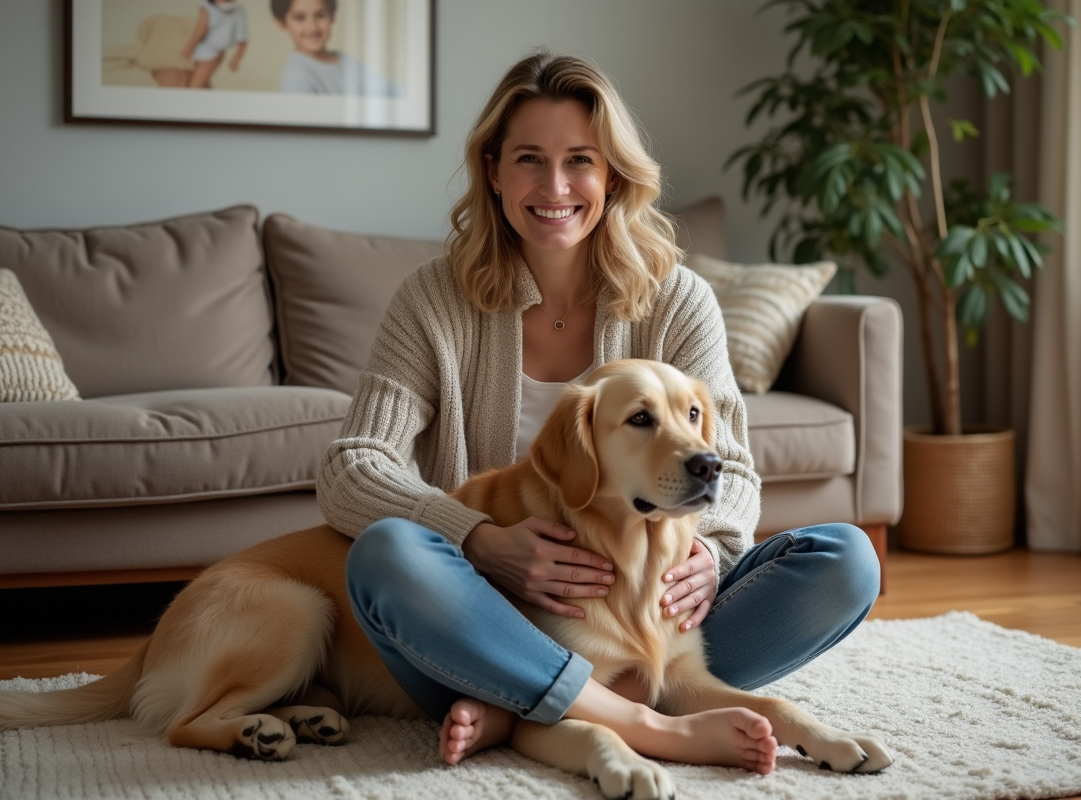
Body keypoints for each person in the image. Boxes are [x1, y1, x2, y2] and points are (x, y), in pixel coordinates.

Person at [317, 51, 881, 771]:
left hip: (656, 607)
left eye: (580, 160)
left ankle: (519, 704)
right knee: (388, 553)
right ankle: (635, 720)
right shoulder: (433, 301)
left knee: (846, 561)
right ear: (492, 171)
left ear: (611, 173)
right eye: (528, 159)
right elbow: (350, 468)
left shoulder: (677, 298)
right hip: (493, 614)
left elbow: (729, 465)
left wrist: (708, 548)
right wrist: (479, 539)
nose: (555, 186)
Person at [270, 0, 402, 97]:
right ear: (281, 23)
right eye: (300, 18)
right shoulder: (296, 78)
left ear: (333, 16)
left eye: (320, 15)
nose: (312, 27)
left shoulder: (344, 60)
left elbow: (391, 91)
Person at [179, 0, 248, 89]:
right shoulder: (207, 7)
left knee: (194, 87)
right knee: (202, 84)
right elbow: (201, 28)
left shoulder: (238, 10)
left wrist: (237, 58)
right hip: (201, 49)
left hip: (213, 53)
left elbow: (242, 38)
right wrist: (189, 48)